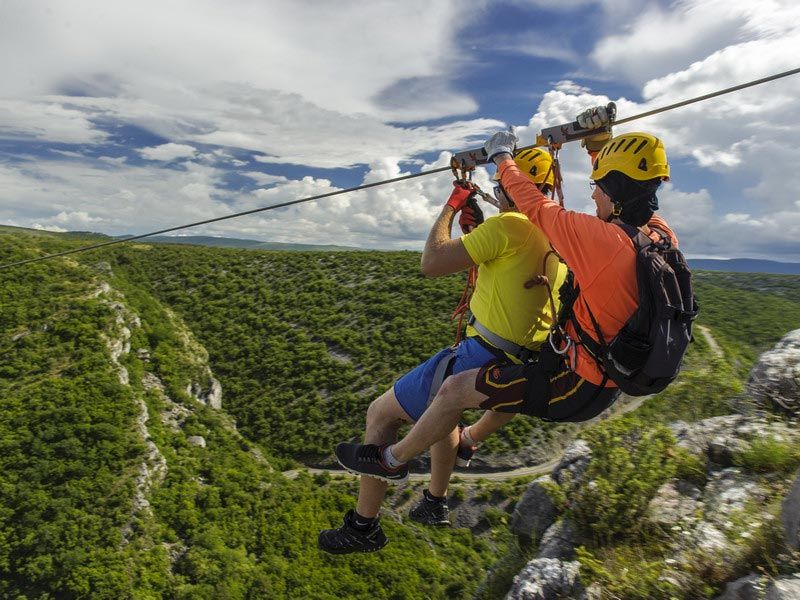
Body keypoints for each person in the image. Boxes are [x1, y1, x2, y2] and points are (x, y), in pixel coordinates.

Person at [331, 107, 678, 540]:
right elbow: (615, 197)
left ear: (614, 191)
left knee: (448, 392)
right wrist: (597, 145)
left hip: (578, 384)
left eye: (598, 188)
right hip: (596, 373)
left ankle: (391, 464)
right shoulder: (657, 234)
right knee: (457, 399)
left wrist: (501, 160)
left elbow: (532, 207)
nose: (592, 198)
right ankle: (461, 454)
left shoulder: (591, 239)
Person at [318, 149, 569, 554]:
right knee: (442, 410)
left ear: (509, 187)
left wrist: (451, 206)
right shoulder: (558, 229)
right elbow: (507, 265)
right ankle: (435, 501)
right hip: (524, 357)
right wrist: (480, 231)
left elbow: (432, 261)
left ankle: (362, 527)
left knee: (380, 413)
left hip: (482, 353)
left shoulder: (510, 225)